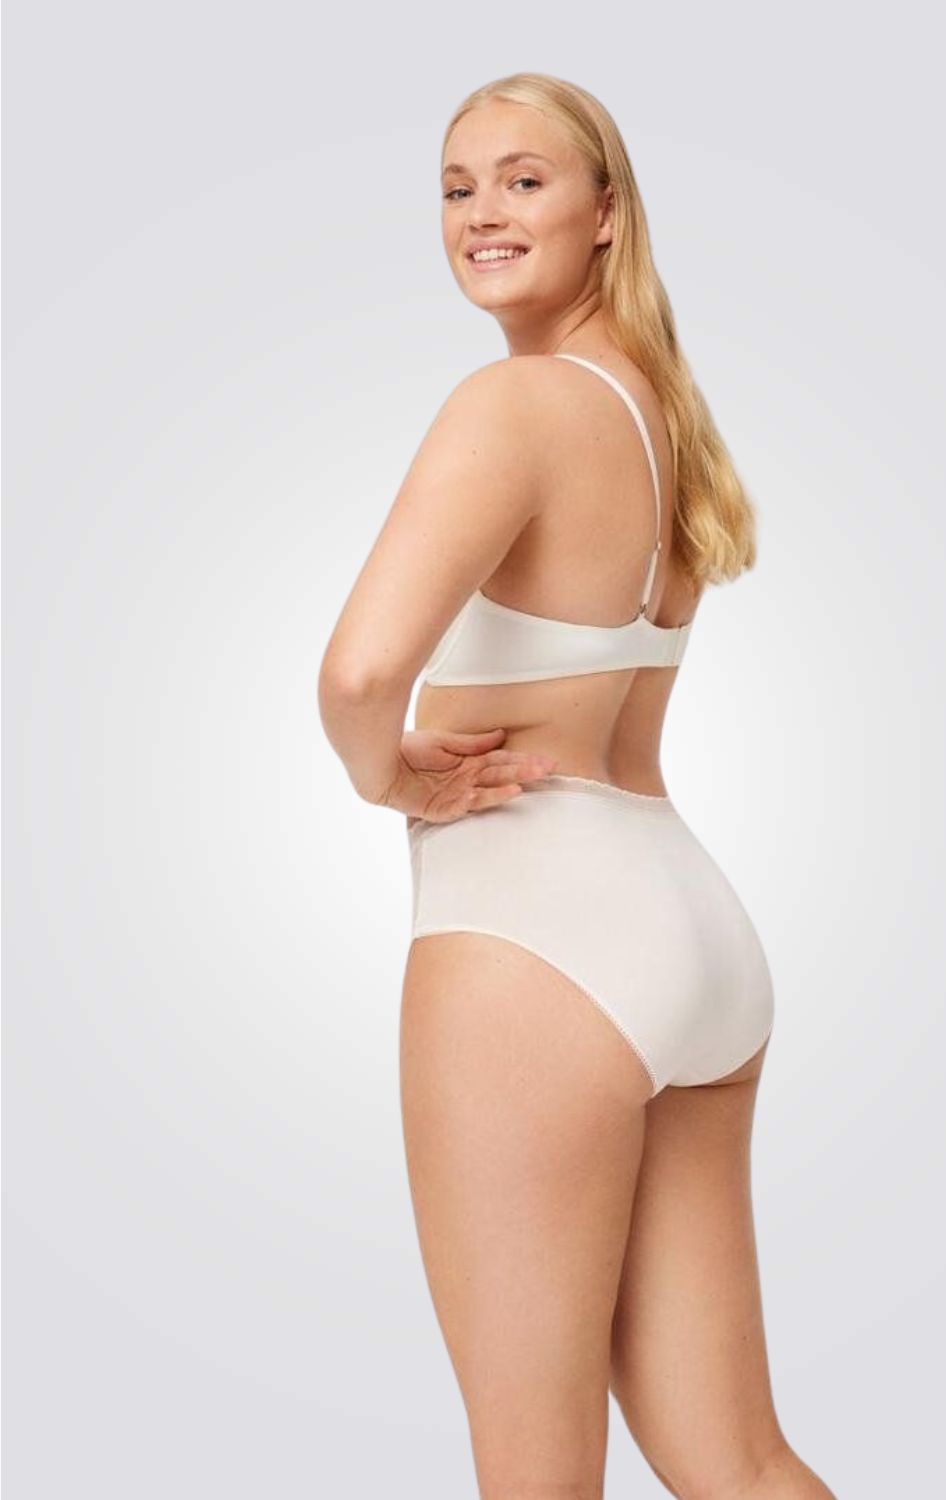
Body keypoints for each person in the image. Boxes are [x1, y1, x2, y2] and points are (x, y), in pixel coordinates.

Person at [317, 71, 835, 1500]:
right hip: (687, 922)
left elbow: (359, 674)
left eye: (524, 180)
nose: (482, 212)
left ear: (607, 212)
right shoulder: (667, 419)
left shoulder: (519, 404)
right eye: (457, 186)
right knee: (742, 1460)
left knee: (535, 1476)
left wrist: (386, 778)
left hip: (534, 937)